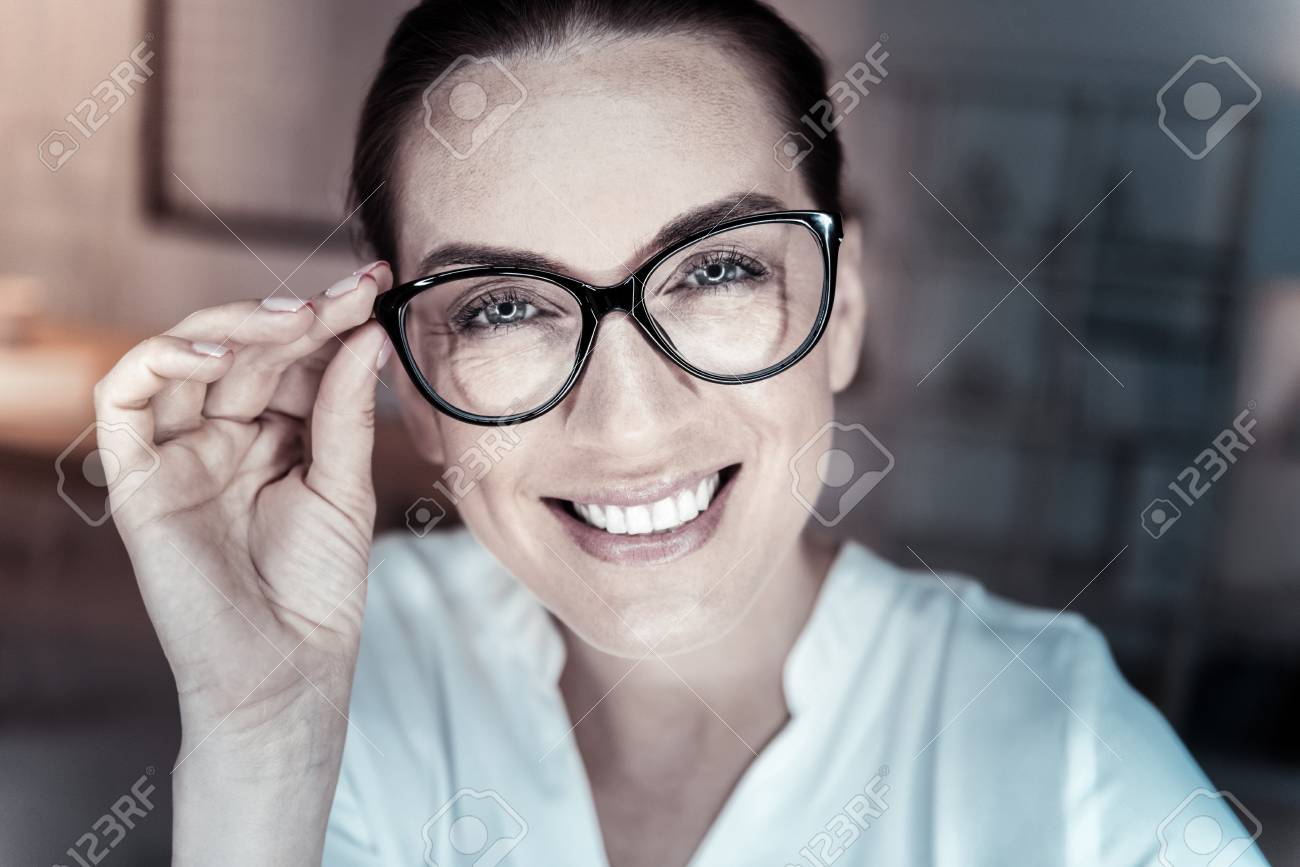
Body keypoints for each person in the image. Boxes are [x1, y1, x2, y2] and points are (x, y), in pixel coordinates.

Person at [94, 1, 1269, 864]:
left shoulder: (1060, 758)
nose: (630, 417)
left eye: (715, 271)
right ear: (406, 379)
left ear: (840, 314)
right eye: (504, 306)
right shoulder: (356, 667)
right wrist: (265, 739)